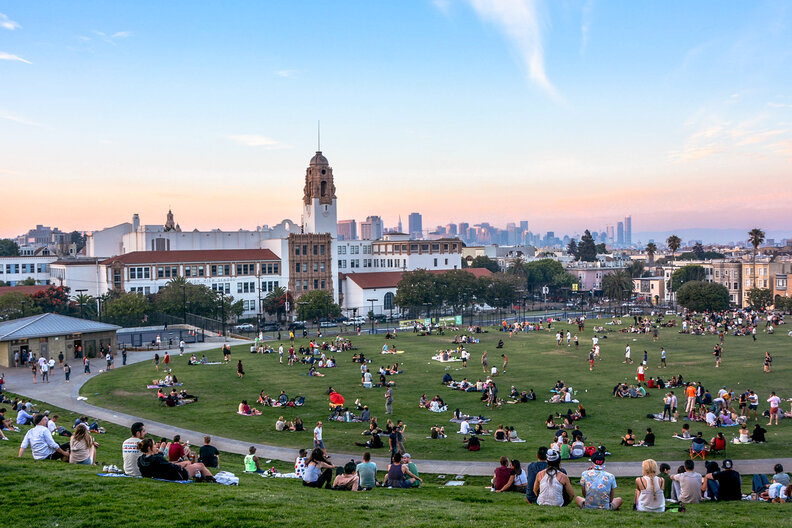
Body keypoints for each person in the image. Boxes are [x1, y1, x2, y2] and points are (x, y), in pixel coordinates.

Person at [137, 438, 214, 481]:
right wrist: (181, 467)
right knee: (200, 465)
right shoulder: (157, 458)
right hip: (177, 475)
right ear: (149, 448)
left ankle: (202, 478)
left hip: (163, 474)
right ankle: (211, 480)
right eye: (154, 445)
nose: (156, 447)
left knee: (187, 462)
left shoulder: (140, 460)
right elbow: (171, 467)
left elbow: (165, 466)